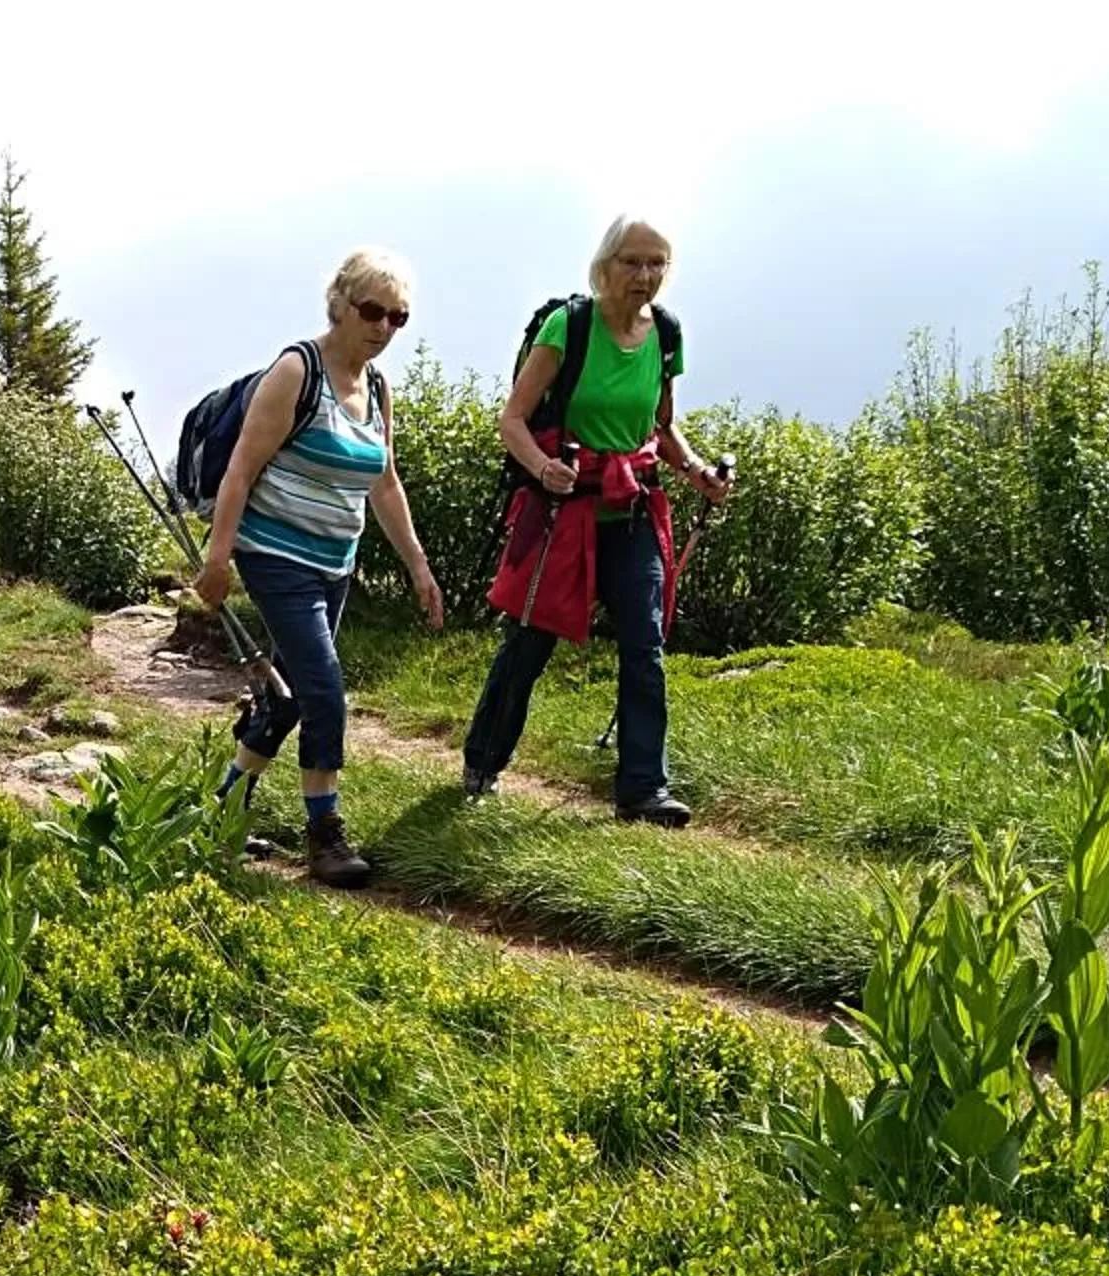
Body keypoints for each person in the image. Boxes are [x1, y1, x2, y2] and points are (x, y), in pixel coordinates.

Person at [461, 216, 730, 825]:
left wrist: (696, 471)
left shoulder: (666, 334)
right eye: (632, 262)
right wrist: (542, 466)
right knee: (530, 642)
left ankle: (643, 789)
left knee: (645, 646)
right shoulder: (570, 327)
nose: (645, 275)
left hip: (631, 510)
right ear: (605, 265)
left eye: (657, 263)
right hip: (564, 509)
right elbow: (513, 420)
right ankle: (482, 762)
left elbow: (660, 429)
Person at [194, 247, 447, 888]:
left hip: (336, 562)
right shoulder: (296, 371)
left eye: (399, 317)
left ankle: (221, 807)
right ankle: (324, 834)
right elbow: (242, 469)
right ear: (339, 305)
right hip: (274, 556)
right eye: (372, 310)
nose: (384, 327)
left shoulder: (378, 388)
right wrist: (218, 557)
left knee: (287, 695)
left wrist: (418, 565)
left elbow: (384, 483)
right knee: (324, 694)